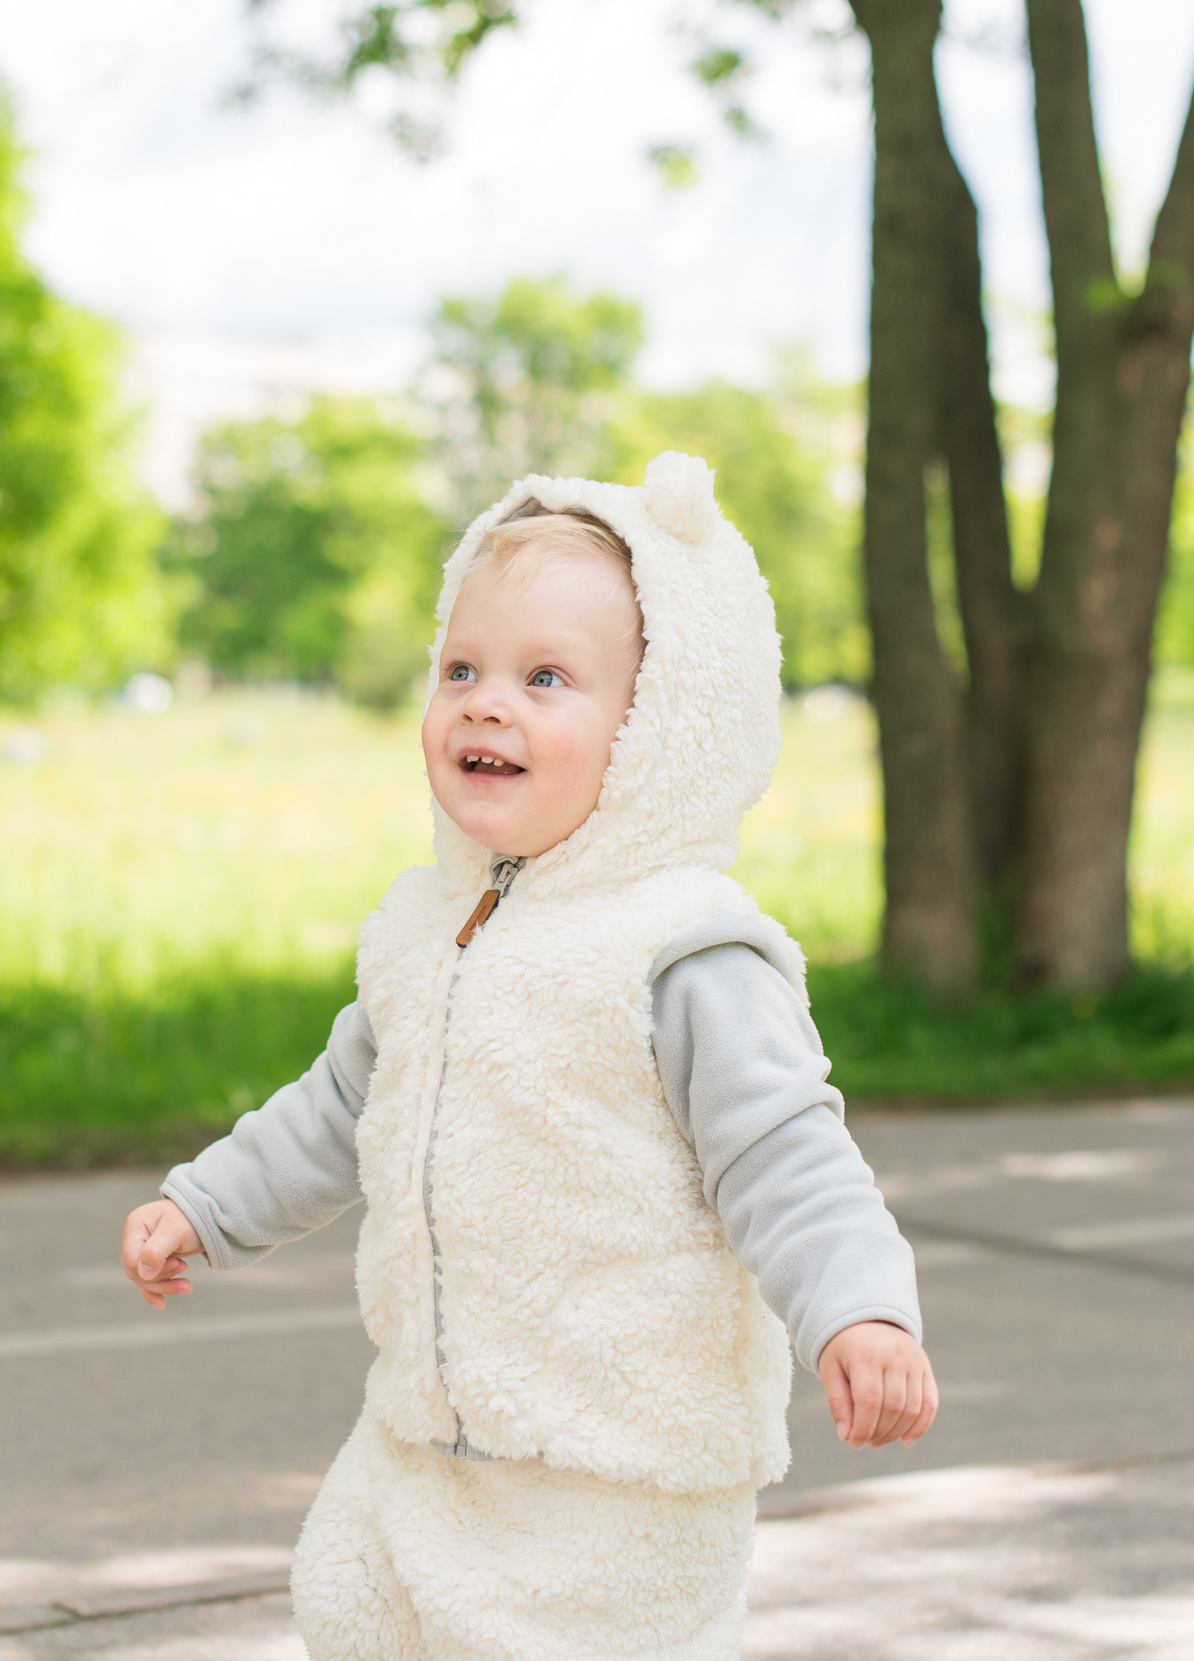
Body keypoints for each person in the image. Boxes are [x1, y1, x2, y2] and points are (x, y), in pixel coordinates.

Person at [121, 452, 936, 1661]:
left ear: (661, 729)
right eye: (462, 668)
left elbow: (789, 1155)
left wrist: (859, 1310)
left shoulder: (684, 949)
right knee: (352, 1605)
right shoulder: (425, 930)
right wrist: (209, 1204)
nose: (485, 701)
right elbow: (341, 1105)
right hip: (433, 1434)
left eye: (546, 676)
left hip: (621, 1460)